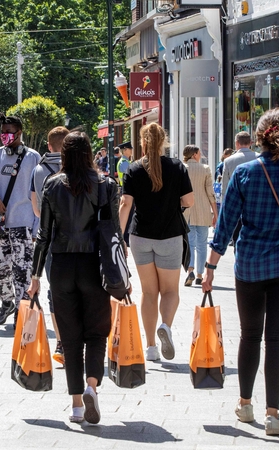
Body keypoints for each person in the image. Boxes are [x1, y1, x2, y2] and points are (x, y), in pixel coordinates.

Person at [202, 109, 279, 436]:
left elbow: (225, 226)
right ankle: (272, 414)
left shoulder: (244, 174)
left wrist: (210, 268)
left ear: (259, 137)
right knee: (277, 339)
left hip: (250, 266)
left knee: (250, 335)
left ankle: (245, 402)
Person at [27, 131, 120, 424]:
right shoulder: (105, 184)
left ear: (63, 155)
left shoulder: (52, 185)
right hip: (95, 265)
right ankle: (92, 385)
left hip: (62, 266)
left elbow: (43, 235)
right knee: (96, 332)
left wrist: (35, 275)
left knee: (70, 339)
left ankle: (77, 405)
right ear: (90, 153)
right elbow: (113, 232)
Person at [118, 123, 194, 362]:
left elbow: (125, 204)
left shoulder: (133, 169)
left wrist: (119, 238)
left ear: (142, 142)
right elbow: (189, 201)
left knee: (149, 292)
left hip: (140, 236)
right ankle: (166, 327)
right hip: (169, 236)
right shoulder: (177, 167)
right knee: (170, 291)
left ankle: (151, 347)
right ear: (163, 142)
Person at [0, 112, 41, 326]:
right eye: (2, 132)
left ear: (19, 133)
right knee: (0, 269)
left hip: (23, 223)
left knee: (23, 271)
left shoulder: (33, 157)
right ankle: (7, 303)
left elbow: (39, 194)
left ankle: (22, 311)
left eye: (9, 133)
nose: (5, 136)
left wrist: (36, 228)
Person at [30, 126, 68, 364]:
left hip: (51, 236)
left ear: (49, 146)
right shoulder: (80, 168)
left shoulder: (39, 170)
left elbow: (35, 207)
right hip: (78, 238)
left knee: (56, 289)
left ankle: (62, 342)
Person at [182, 145, 217, 287]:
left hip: (186, 210)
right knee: (202, 243)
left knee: (190, 242)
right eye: (199, 152)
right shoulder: (205, 169)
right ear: (194, 154)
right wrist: (216, 213)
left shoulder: (182, 168)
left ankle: (190, 269)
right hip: (202, 210)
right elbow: (210, 192)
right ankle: (200, 274)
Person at [222, 132, 257, 246]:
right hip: (257, 205)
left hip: (236, 205)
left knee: (237, 238)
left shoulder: (228, 161)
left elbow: (225, 186)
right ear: (250, 143)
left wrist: (224, 207)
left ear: (237, 143)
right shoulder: (259, 157)